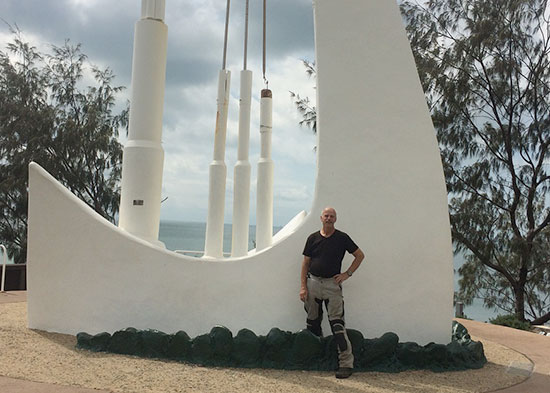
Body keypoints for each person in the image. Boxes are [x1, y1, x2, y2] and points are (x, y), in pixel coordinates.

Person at [300, 207, 365, 379]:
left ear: (335, 219)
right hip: (313, 282)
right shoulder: (312, 238)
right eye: (326, 216)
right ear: (321, 218)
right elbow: (305, 263)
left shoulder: (342, 238)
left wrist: (347, 274)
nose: (329, 218)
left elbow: (359, 255)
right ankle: (313, 359)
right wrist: (303, 287)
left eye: (332, 216)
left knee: (337, 325)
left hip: (332, 285)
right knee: (312, 322)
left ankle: (346, 364)